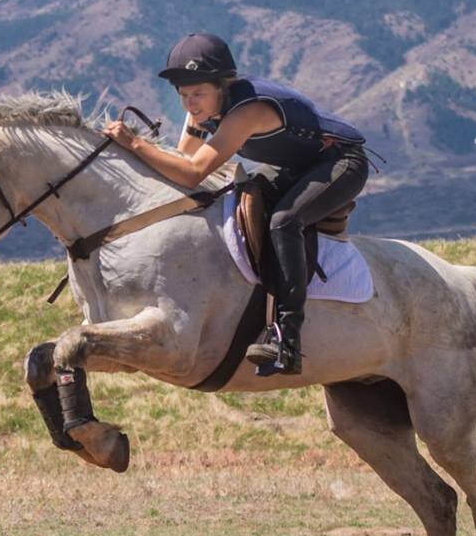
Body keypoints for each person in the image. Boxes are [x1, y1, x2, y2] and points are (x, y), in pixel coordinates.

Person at [101, 32, 368, 375]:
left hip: (342, 163)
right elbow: (183, 157)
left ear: (223, 85)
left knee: (284, 220)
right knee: (244, 199)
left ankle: (287, 339)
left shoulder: (249, 110)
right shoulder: (201, 111)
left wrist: (135, 144)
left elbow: (193, 171)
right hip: (297, 166)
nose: (190, 103)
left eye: (198, 93)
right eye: (183, 95)